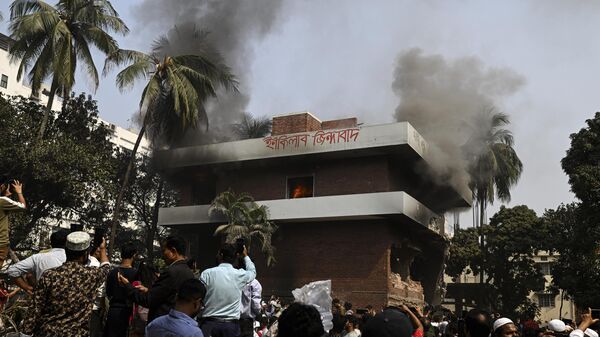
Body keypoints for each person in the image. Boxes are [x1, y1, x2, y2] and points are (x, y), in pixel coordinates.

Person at [21, 231, 110, 336]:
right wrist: (103, 249)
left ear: (66, 251)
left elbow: (35, 308)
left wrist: (26, 333)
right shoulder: (92, 275)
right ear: (86, 253)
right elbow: (106, 267)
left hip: (47, 333)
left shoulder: (49, 275)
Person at [119, 235, 194, 323]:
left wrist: (128, 286)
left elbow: (148, 300)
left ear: (173, 251)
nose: (162, 256)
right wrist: (148, 291)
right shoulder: (189, 273)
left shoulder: (170, 272)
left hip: (163, 323)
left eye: (164, 251)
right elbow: (168, 295)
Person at [200, 243, 257, 337]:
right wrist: (246, 256)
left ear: (221, 255)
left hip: (209, 325)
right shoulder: (240, 275)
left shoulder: (207, 274)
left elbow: (199, 297)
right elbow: (252, 272)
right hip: (231, 327)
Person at [7, 229, 68, 294]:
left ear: (51, 242)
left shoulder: (38, 257)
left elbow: (12, 270)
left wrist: (27, 288)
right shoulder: (73, 258)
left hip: (42, 298)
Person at [104, 243, 138, 337]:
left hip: (113, 310)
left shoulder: (112, 272)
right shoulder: (136, 274)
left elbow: (108, 292)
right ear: (134, 255)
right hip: (127, 312)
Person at [0, 179, 26, 267]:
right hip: (1, 243)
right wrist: (19, 192)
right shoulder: (3, 201)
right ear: (2, 186)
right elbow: (22, 206)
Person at [240, 254, 263, 337]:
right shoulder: (255, 283)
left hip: (232, 320)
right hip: (247, 322)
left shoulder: (234, 279)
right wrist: (258, 313)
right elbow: (256, 305)